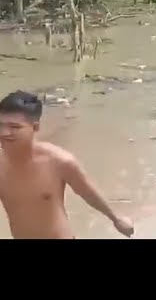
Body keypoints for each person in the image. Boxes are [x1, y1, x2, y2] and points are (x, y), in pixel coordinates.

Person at [0, 91, 134, 239]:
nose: (4, 132)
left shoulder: (59, 161)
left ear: (35, 127)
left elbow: (87, 192)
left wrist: (116, 219)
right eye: (1, 125)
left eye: (14, 127)